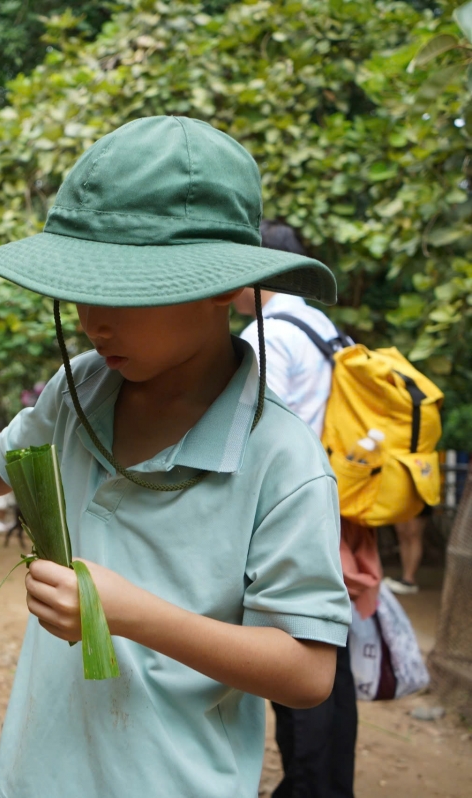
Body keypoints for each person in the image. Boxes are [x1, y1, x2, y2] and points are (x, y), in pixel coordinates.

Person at [0, 116, 350, 798]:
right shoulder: (80, 390)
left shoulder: (283, 462)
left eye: (124, 289)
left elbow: (306, 672)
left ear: (222, 286)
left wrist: (130, 613)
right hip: (33, 775)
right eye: (81, 288)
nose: (94, 319)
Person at [234, 220, 363, 798]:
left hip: (292, 509)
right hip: (338, 501)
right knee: (329, 655)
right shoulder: (321, 326)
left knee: (294, 650)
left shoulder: (268, 333)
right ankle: (331, 782)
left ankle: (309, 786)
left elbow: (260, 429)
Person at [385, 511, 426, 594]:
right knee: (402, 534)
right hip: (401, 501)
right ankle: (405, 576)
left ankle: (409, 578)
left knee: (413, 534)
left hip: (419, 500)